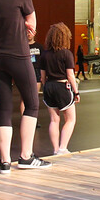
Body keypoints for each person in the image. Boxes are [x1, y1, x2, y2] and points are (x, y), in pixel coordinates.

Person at [0, 0, 50, 173]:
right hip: (18, 54)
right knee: (31, 104)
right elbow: (32, 25)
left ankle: (4, 162)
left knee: (3, 107)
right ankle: (26, 156)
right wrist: (27, 28)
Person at [40, 23, 80, 156]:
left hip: (49, 87)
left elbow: (42, 77)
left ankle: (56, 149)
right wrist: (76, 92)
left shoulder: (44, 55)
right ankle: (63, 148)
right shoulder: (66, 54)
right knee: (70, 119)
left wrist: (47, 87)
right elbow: (70, 75)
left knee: (54, 120)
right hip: (62, 87)